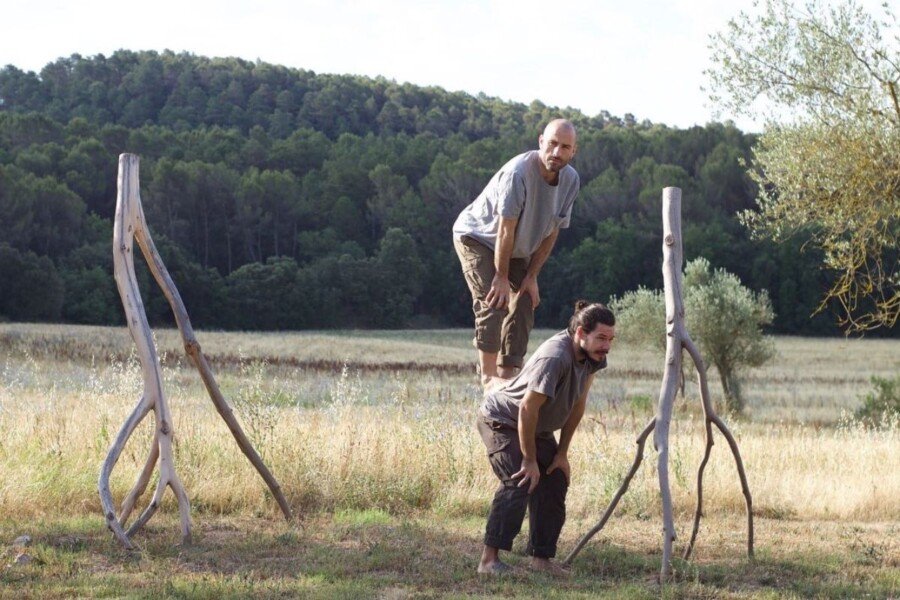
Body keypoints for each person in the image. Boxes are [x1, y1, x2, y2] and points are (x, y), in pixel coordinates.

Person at [475, 301, 615, 575]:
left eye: (610, 339)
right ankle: (488, 561)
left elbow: (577, 405)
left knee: (554, 480)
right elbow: (527, 408)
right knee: (519, 479)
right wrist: (529, 459)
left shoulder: (594, 357)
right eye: (601, 338)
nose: (607, 346)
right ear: (580, 334)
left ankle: (541, 560)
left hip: (535, 426)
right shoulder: (556, 357)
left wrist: (561, 454)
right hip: (502, 420)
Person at [453, 119, 579, 387]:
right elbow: (504, 231)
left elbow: (552, 231)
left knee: (524, 299)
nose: (557, 152)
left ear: (573, 151)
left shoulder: (571, 180)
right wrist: (500, 276)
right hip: (478, 236)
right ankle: (489, 379)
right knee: (494, 299)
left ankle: (509, 374)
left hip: (518, 246)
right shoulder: (518, 173)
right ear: (541, 142)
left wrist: (531, 276)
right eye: (553, 144)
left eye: (565, 147)